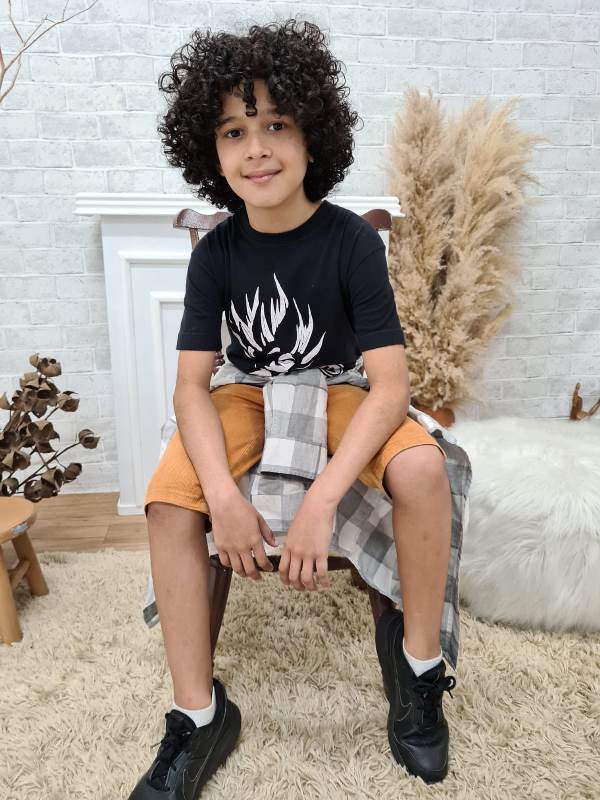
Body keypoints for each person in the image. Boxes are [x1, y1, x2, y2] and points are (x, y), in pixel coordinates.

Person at [128, 18, 457, 799]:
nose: (257, 149)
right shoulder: (216, 255)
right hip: (245, 391)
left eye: (276, 124)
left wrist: (320, 502)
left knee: (422, 469)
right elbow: (192, 388)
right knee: (168, 503)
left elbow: (389, 387)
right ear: (211, 152)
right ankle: (199, 715)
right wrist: (223, 499)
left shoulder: (351, 243)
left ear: (313, 136)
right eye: (234, 131)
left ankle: (418, 669)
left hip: (341, 387)